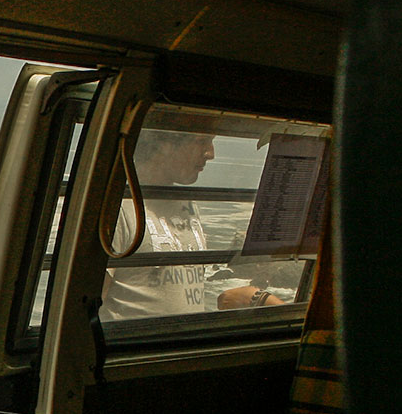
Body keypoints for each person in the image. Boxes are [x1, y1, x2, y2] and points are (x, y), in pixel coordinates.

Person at [99, 128, 284, 321]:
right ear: (164, 144)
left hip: (184, 343)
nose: (211, 154)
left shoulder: (187, 203)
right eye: (202, 141)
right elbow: (89, 300)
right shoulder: (118, 208)